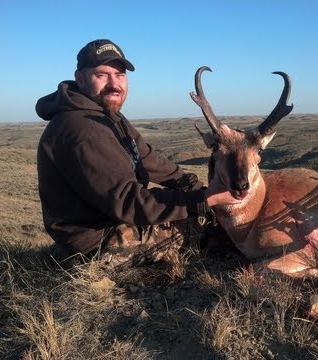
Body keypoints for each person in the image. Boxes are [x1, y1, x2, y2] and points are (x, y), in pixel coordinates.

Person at [36, 39, 212, 269]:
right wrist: (196, 202)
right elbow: (129, 202)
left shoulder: (106, 115)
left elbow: (149, 159)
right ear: (80, 78)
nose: (114, 84)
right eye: (102, 75)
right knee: (203, 225)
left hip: (108, 222)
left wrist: (195, 187)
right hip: (97, 243)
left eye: (120, 75)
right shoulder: (82, 129)